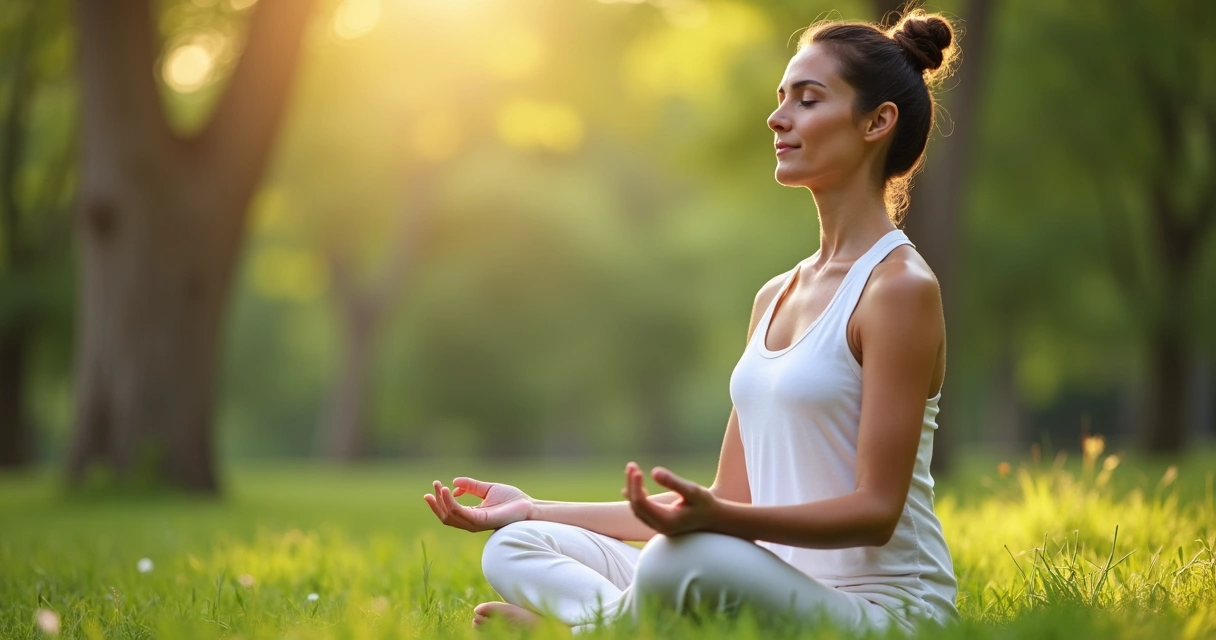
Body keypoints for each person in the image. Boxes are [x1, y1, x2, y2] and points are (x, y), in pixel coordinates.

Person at [424, 7, 960, 634]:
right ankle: (615, 624)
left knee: (687, 558)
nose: (777, 117)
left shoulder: (899, 289)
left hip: (883, 614)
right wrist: (531, 509)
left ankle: (580, 631)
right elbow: (724, 500)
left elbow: (875, 512)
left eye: (807, 101)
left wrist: (720, 525)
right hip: (759, 587)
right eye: (780, 98)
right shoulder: (776, 296)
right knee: (517, 546)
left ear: (877, 121)